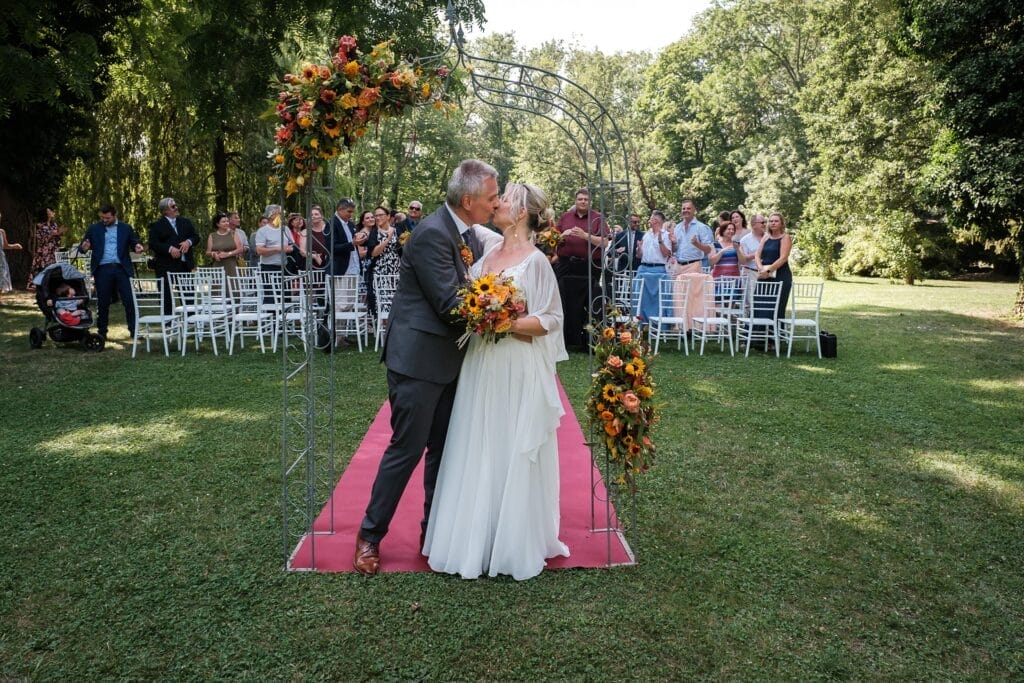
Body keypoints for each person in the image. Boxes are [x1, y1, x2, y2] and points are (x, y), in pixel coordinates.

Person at [355, 158, 503, 576]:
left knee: (443, 451)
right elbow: (451, 303)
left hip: (450, 362)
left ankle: (433, 533)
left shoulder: (466, 232)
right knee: (406, 450)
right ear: (469, 199)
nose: (495, 204)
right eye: (491, 198)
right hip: (418, 362)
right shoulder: (431, 235)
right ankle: (369, 536)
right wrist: (506, 316)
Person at [424, 182, 570, 580]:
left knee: (506, 443)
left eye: (504, 199)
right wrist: (480, 314)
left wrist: (502, 321)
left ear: (521, 212)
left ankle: (510, 541)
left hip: (513, 366)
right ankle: (475, 538)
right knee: (477, 441)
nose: (498, 203)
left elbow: (552, 319)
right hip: (480, 365)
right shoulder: (487, 252)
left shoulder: (536, 261)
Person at [78, 204, 145, 340]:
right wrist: (84, 247)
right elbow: (83, 247)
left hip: (122, 269)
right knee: (102, 301)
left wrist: (137, 246)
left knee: (129, 300)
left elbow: (134, 241)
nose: (104, 220)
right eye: (102, 217)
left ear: (115, 215)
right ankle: (102, 332)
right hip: (102, 269)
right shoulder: (94, 228)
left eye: (107, 218)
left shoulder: (126, 228)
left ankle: (134, 330)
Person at [554, 188, 609, 350]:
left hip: (589, 266)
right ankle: (564, 341)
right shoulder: (565, 217)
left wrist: (585, 236)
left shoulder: (598, 218)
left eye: (585, 199)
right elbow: (552, 238)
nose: (583, 202)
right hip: (566, 265)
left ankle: (590, 342)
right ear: (575, 201)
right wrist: (562, 235)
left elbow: (605, 242)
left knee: (591, 303)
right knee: (562, 301)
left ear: (589, 201)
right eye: (580, 199)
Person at [149, 197, 199, 313]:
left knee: (188, 293)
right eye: (173, 206)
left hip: (184, 264)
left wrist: (189, 242)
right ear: (165, 210)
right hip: (165, 266)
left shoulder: (185, 222)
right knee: (166, 295)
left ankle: (191, 320)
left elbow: (196, 237)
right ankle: (168, 323)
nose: (176, 208)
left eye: (175, 205)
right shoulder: (156, 226)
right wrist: (170, 249)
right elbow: (153, 244)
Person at [633, 210, 672, 326]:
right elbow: (639, 256)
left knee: (658, 300)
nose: (649, 220)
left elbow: (666, 254)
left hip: (659, 270)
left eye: (651, 218)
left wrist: (660, 240)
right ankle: (640, 323)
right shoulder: (646, 234)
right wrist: (639, 248)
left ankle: (660, 324)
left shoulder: (666, 235)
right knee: (640, 298)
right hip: (644, 268)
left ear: (656, 220)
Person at [755, 212, 793, 321]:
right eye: (771, 221)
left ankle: (774, 336)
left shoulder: (785, 237)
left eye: (776, 221)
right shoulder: (766, 237)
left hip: (780, 276)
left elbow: (783, 258)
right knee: (759, 303)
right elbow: (757, 255)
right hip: (763, 275)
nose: (773, 223)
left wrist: (769, 270)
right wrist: (761, 269)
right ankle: (759, 334)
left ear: (781, 223)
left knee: (775, 307)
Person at [27, 208, 66, 289]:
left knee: (53, 268)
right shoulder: (39, 225)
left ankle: (51, 285)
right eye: (49, 211)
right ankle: (37, 284)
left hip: (53, 250)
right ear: (45, 214)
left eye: (51, 211)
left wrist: (59, 234)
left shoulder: (54, 225)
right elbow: (40, 240)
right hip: (44, 250)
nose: (52, 212)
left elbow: (57, 239)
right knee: (42, 267)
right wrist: (51, 234)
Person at [206, 211, 244, 278]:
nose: (226, 223)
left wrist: (228, 254)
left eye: (227, 221)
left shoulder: (233, 234)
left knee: (232, 286)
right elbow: (208, 252)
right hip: (218, 266)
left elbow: (240, 249)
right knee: (218, 287)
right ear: (218, 224)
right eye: (223, 222)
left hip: (232, 266)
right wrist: (214, 254)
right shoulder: (212, 236)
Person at [1, 212, 25, 298]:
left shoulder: (2, 231)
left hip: (1, 258)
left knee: (2, 276)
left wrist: (15, 245)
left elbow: (5, 246)